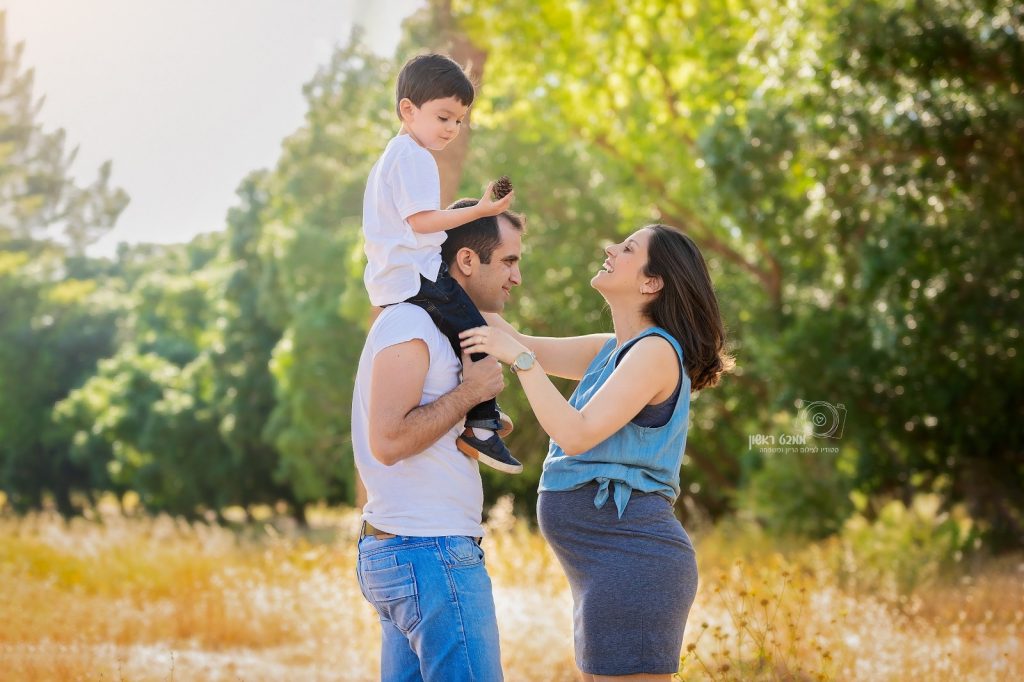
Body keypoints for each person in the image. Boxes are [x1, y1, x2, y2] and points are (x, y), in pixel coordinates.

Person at [461, 224, 733, 681]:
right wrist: (445, 278)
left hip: (634, 565)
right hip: (605, 570)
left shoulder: (656, 354)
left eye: (627, 249)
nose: (609, 247)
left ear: (651, 282)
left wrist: (521, 362)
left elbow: (577, 433)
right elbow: (521, 343)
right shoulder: (612, 351)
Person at [351, 201, 525, 681]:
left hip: (417, 552)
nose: (517, 277)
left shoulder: (439, 327)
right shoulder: (412, 324)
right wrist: (472, 391)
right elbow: (388, 441)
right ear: (467, 260)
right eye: (509, 261)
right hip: (428, 554)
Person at [362, 52, 520, 473]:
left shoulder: (392, 157)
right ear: (408, 110)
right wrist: (481, 211)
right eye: (444, 117)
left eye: (459, 121)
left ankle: (477, 412)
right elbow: (422, 221)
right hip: (418, 278)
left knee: (459, 332)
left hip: (400, 277)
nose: (452, 129)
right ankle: (482, 426)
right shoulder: (414, 157)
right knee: (476, 332)